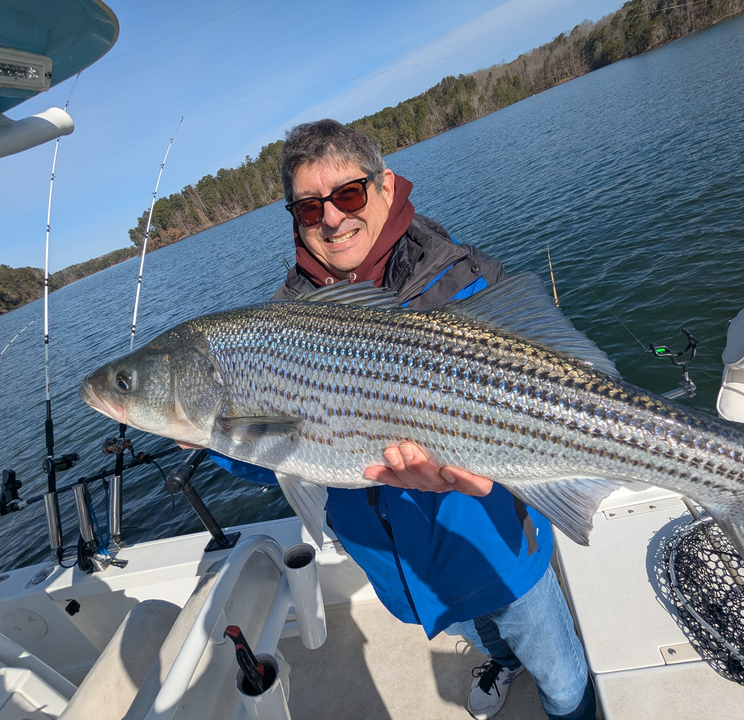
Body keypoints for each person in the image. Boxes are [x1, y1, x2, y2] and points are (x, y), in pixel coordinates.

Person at [211, 119, 596, 720]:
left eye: (348, 194)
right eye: (310, 208)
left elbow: (560, 387)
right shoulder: (275, 324)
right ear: (294, 217)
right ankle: (502, 661)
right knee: (477, 629)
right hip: (400, 563)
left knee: (562, 676)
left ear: (386, 186)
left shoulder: (466, 277)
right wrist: (222, 438)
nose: (332, 220)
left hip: (493, 540)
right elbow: (277, 464)